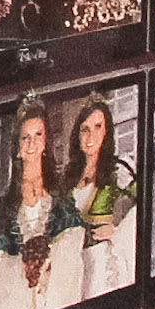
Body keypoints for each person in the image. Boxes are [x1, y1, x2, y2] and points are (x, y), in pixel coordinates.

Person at [0, 105, 74, 308]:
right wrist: (22, 264)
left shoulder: (59, 191)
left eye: (38, 134)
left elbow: (74, 235)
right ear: (17, 146)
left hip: (55, 290)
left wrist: (48, 258)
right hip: (18, 295)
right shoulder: (5, 204)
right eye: (25, 137)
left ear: (45, 141)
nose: (32, 143)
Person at [62, 93, 134, 294]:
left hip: (103, 267)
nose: (90, 137)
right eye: (85, 129)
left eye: (98, 127)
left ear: (107, 131)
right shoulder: (68, 177)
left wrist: (119, 232)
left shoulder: (119, 170)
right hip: (72, 268)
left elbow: (142, 209)